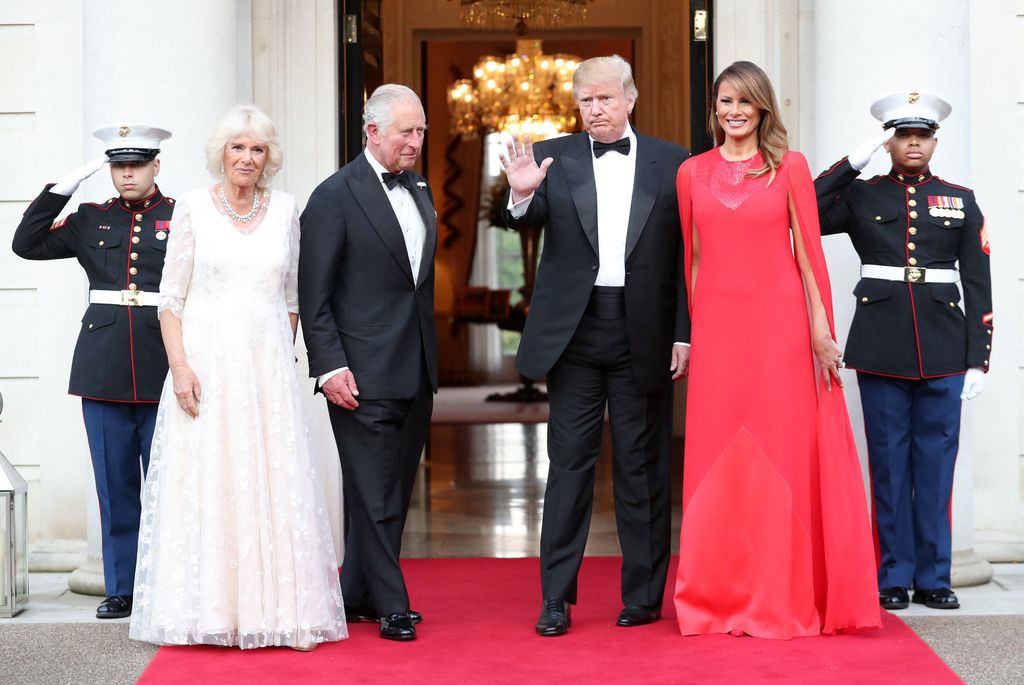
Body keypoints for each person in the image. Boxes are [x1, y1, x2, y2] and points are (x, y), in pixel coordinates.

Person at [672, 61, 881, 638]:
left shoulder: (789, 168)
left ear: (763, 108)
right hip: (719, 337)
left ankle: (780, 594)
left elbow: (811, 257)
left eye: (744, 101)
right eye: (724, 102)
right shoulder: (690, 173)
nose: (733, 111)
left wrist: (820, 330)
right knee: (715, 455)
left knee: (781, 452)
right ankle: (713, 596)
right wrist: (695, 332)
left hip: (781, 335)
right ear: (713, 110)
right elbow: (690, 261)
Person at [128, 105, 346, 650]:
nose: (247, 158)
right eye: (237, 147)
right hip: (204, 367)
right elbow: (170, 301)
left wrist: (275, 352)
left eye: (257, 149)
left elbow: (293, 298)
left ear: (268, 157)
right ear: (220, 153)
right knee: (210, 480)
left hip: (266, 370)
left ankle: (273, 611)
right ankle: (208, 610)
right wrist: (180, 369)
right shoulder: (194, 210)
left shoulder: (287, 210)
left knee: (269, 482)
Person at [499, 55, 691, 637]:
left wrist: (684, 331)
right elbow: (520, 223)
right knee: (570, 468)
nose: (595, 110)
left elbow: (687, 257)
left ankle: (643, 595)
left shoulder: (673, 160)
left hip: (645, 332)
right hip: (575, 335)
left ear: (630, 99)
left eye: (606, 98)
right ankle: (555, 598)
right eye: (585, 100)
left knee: (642, 469)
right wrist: (520, 196)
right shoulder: (554, 156)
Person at [815, 92, 993, 612]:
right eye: (902, 135)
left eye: (922, 135)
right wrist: (851, 164)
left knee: (936, 469)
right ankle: (893, 575)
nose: (913, 143)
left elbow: (979, 283)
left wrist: (979, 358)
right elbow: (800, 208)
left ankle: (935, 578)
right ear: (889, 140)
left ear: (935, 141)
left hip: (944, 348)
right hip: (881, 347)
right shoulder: (863, 195)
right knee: (889, 468)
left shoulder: (960, 199)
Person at [12, 124, 174, 619]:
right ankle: (122, 586)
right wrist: (65, 186)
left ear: (155, 166)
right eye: (118, 165)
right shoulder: (89, 218)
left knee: (170, 485)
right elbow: (26, 243)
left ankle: (167, 584)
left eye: (137, 164)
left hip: (166, 363)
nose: (127, 173)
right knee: (115, 482)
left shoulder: (183, 216)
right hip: (103, 365)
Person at [298, 84, 437, 642]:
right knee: (374, 492)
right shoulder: (334, 195)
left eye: (421, 130)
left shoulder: (421, 187)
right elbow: (315, 293)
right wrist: (329, 366)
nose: (416, 141)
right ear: (372, 131)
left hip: (416, 367)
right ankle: (391, 603)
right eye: (406, 131)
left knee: (392, 490)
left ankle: (356, 590)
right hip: (359, 371)